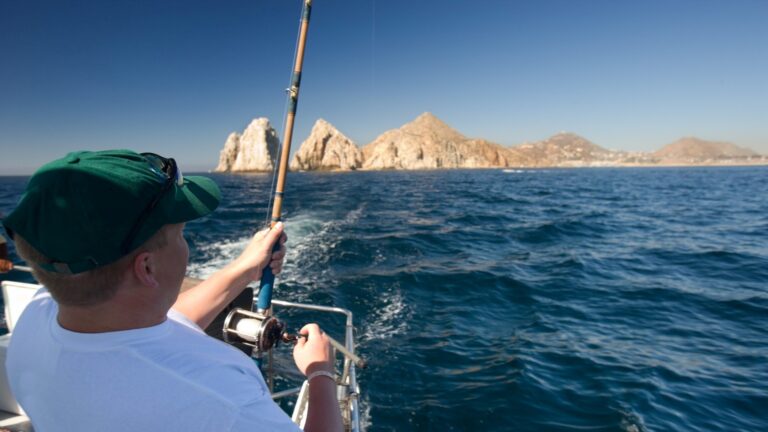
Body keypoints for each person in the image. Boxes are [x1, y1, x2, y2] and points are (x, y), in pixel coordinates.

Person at [2, 150, 343, 432]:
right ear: (147, 268)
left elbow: (152, 329)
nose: (185, 245)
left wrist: (245, 268)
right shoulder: (220, 400)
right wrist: (320, 372)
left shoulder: (37, 314)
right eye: (181, 235)